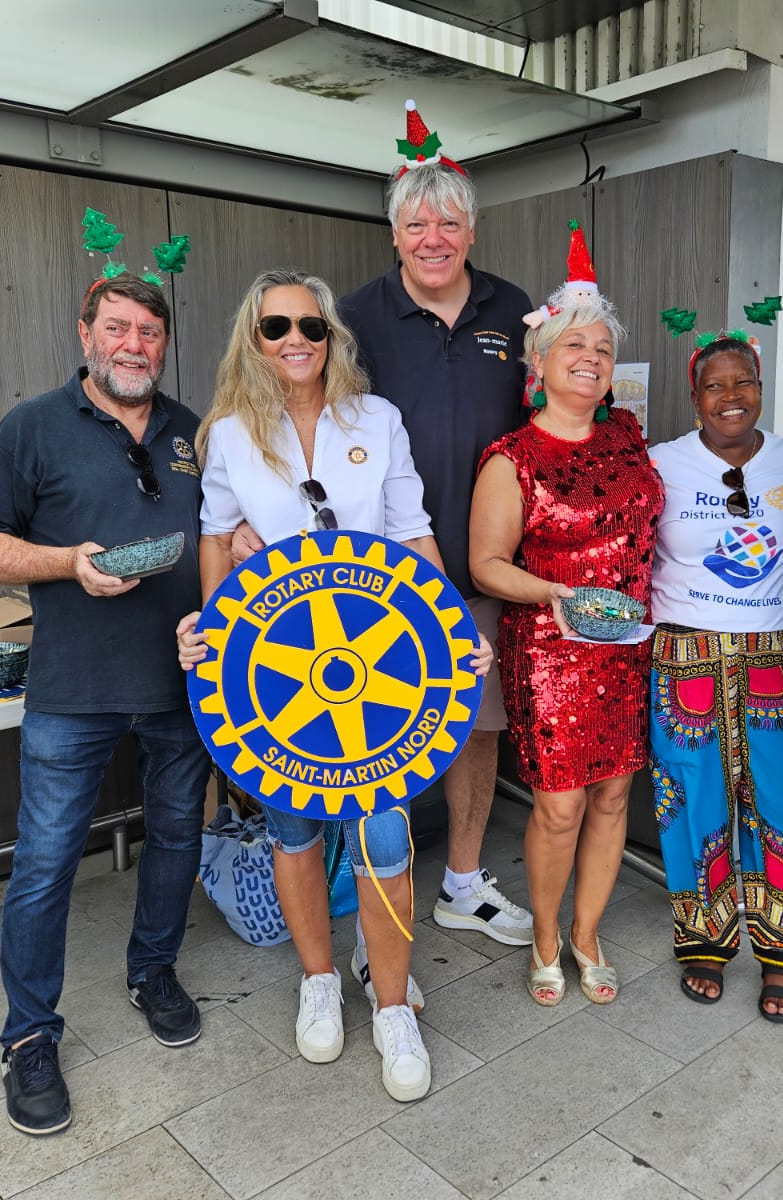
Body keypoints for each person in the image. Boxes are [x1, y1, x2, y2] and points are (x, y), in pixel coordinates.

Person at [175, 267, 491, 1103]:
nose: (295, 341)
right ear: (253, 338)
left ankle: (390, 1004)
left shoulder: (376, 419)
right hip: (277, 671)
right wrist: (214, 640)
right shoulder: (229, 434)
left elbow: (413, 531)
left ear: (331, 337)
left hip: (380, 668)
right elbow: (215, 537)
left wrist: (453, 631)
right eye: (276, 327)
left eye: (311, 327)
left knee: (385, 833)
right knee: (294, 829)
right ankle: (318, 979)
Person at [234, 110, 535, 951]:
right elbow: (295, 412)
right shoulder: (353, 318)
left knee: (478, 725)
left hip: (485, 564)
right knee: (354, 729)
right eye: (416, 224)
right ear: (394, 233)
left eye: (449, 222)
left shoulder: (514, 311)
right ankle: (356, 899)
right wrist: (255, 517)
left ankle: (463, 881)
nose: (433, 238)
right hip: (372, 579)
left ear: (472, 228)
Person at [0, 272, 211, 1137]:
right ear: (85, 333)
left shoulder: (193, 431)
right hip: (73, 691)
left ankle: (153, 972)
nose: (133, 345)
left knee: (176, 837)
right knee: (45, 864)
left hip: (184, 686)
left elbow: (222, 535)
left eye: (149, 331)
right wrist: (68, 563)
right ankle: (28, 1036)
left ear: (164, 342)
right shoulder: (31, 427)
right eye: (117, 328)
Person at [468, 292, 665, 1006]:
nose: (591, 358)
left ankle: (588, 934)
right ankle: (547, 938)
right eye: (574, 345)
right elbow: (485, 565)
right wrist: (559, 594)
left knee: (614, 796)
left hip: (630, 649)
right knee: (559, 807)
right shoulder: (513, 458)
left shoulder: (628, 438)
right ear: (540, 362)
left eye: (603, 349)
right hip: (553, 654)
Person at [647, 333, 783, 1018]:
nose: (730, 397)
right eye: (714, 386)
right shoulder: (660, 463)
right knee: (692, 801)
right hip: (684, 660)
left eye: (742, 382)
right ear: (695, 398)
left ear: (760, 389)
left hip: (776, 658)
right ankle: (704, 943)